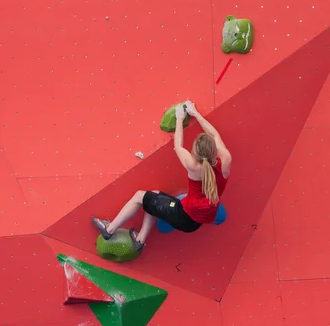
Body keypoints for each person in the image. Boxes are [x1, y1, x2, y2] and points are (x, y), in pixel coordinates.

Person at [92, 100, 232, 251]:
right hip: (197, 220)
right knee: (154, 197)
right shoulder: (225, 161)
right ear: (214, 151)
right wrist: (196, 114)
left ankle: (109, 230)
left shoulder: (192, 166)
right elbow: (214, 134)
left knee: (140, 196)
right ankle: (140, 240)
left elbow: (178, 145)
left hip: (182, 215)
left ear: (195, 153)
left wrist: (179, 118)